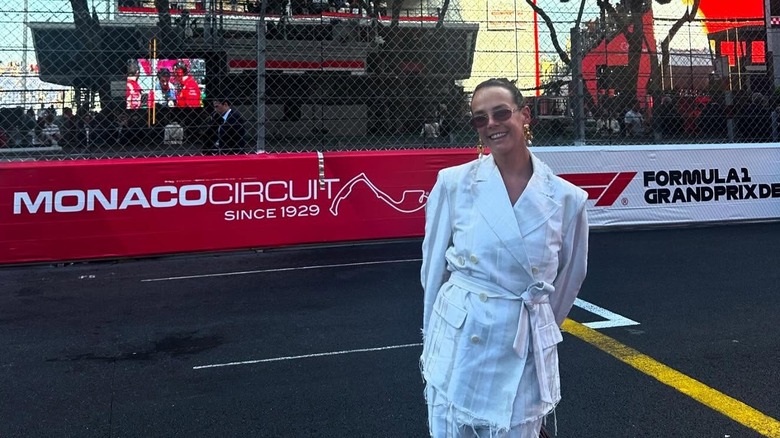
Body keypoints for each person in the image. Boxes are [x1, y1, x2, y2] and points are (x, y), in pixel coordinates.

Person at [420, 78, 589, 438]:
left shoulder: (566, 199)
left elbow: (570, 279)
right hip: (462, 340)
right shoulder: (453, 183)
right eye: (480, 119)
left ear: (525, 115)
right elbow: (432, 272)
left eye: (501, 113)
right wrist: (433, 337)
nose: (491, 125)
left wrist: (537, 327)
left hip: (522, 344)